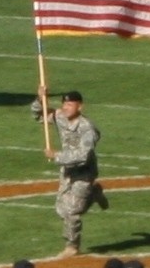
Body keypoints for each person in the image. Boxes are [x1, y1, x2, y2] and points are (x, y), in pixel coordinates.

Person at [36, 87, 106, 256]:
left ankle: (72, 246)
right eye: (64, 104)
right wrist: (40, 100)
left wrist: (57, 156)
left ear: (80, 107)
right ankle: (93, 194)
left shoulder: (87, 128)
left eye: (70, 104)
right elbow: (40, 117)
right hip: (68, 172)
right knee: (61, 209)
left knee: (71, 211)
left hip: (84, 172)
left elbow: (83, 155)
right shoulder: (60, 117)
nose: (65, 107)